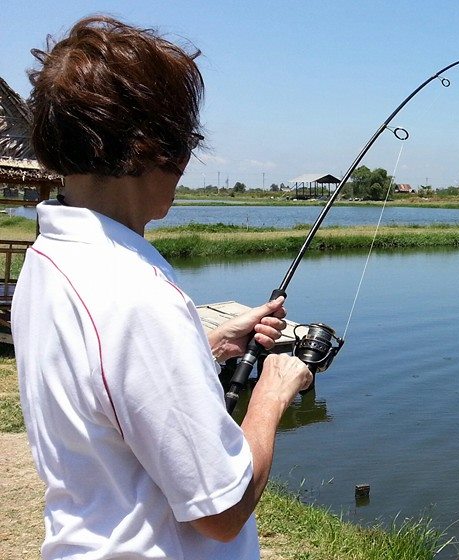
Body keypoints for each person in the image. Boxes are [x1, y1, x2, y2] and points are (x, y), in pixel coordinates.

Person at [12, 16, 313, 559]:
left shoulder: (48, 257)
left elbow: (102, 389)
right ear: (161, 149)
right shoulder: (136, 293)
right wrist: (272, 392)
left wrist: (205, 347)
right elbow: (221, 513)